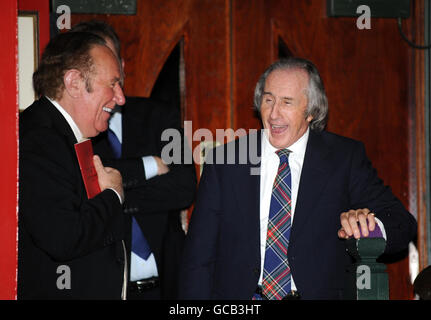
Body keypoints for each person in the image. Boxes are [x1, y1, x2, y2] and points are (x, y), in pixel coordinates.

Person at [179, 57, 418, 300]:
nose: (273, 114)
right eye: (268, 99)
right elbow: (198, 258)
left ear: (311, 111)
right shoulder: (226, 162)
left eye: (287, 102)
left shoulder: (343, 159)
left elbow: (401, 223)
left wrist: (368, 225)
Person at [70, 20, 197, 299]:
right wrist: (150, 165)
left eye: (111, 60)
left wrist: (112, 195)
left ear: (122, 66)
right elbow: (80, 193)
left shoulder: (159, 116)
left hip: (168, 286)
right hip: (105, 288)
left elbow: (184, 186)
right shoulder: (73, 130)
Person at [18, 31, 127, 299]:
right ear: (74, 82)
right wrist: (113, 194)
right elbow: (63, 238)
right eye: (112, 84)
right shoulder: (40, 139)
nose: (121, 98)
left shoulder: (66, 136)